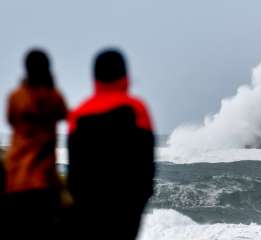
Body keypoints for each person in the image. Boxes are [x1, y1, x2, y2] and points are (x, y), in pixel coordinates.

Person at [67, 49, 155, 239]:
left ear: (95, 77)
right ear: (125, 75)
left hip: (89, 206)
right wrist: (141, 197)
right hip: (127, 206)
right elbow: (146, 162)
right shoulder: (137, 109)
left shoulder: (79, 114)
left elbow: (74, 170)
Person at [1, 49, 67, 239]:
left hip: (16, 178)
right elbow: (63, 113)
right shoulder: (53, 97)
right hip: (43, 181)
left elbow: (11, 118)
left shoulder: (16, 97)